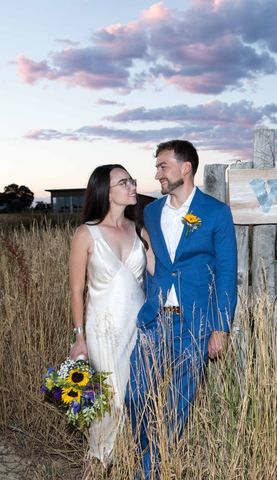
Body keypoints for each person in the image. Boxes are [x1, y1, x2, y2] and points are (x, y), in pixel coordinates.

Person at [126, 139, 238, 478]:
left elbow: (227, 272)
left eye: (162, 165)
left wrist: (220, 327)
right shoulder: (152, 211)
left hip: (196, 325)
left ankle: (151, 473)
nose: (157, 173)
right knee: (136, 396)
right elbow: (156, 262)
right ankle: (147, 458)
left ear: (185, 168)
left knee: (178, 407)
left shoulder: (215, 212)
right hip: (155, 320)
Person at [69, 164, 152, 464]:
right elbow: (77, 289)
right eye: (124, 182)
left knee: (132, 401)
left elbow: (158, 270)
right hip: (103, 332)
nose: (132, 186)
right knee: (109, 405)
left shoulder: (139, 229)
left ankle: (123, 464)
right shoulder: (86, 233)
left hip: (137, 330)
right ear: (107, 191)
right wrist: (79, 338)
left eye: (132, 180)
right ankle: (97, 465)